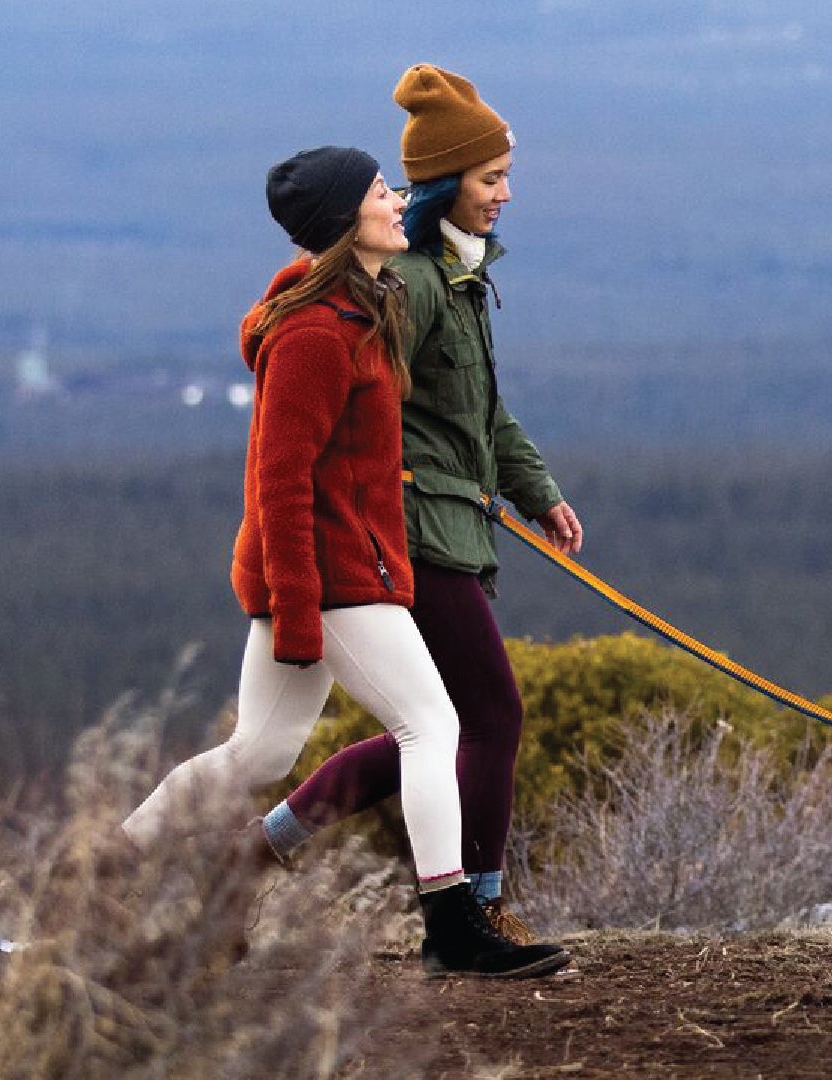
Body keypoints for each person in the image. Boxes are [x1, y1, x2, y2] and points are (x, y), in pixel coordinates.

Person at [119, 145, 570, 979]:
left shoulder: (361, 314)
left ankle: (108, 870)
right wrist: (297, 608)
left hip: (336, 574)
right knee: (433, 727)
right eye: (378, 193)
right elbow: (279, 480)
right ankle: (452, 924)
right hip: (330, 578)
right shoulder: (316, 335)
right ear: (342, 224)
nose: (398, 201)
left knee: (257, 754)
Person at [252, 66, 583, 946]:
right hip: (411, 533)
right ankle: (474, 904)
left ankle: (267, 847)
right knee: (482, 717)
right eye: (490, 179)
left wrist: (535, 490)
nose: (505, 194)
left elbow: (483, 411)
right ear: (446, 183)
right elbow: (369, 423)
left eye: (505, 176)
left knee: (436, 725)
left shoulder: (455, 278)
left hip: (450, 524)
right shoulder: (418, 288)